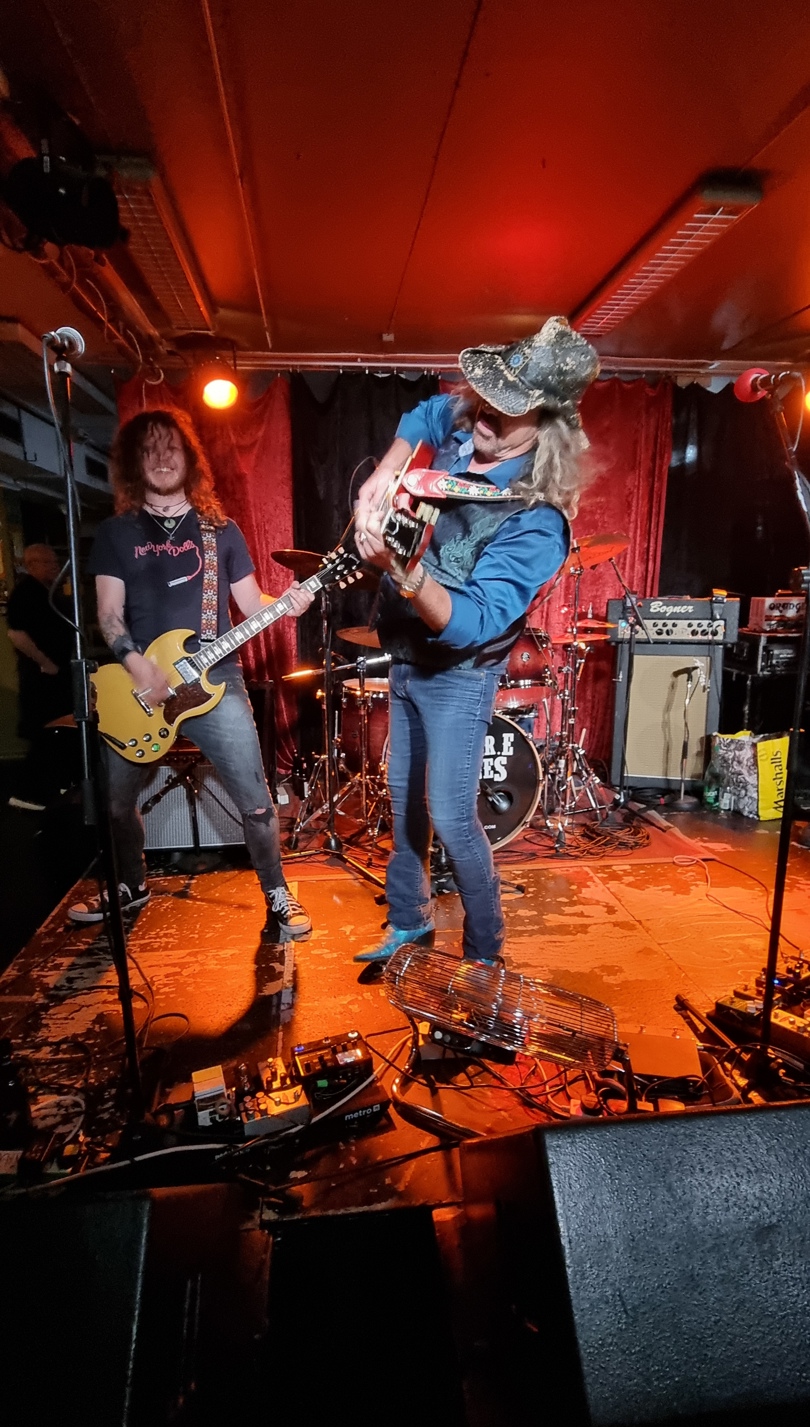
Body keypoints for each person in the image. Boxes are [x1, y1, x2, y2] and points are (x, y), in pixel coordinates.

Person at [353, 316, 599, 967]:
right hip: (406, 656)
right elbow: (429, 412)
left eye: (504, 413)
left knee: (453, 817)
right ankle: (408, 923)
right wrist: (386, 473)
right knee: (404, 803)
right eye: (485, 399)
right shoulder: (468, 431)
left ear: (545, 429)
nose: (482, 417)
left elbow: (473, 622)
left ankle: (486, 957)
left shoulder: (539, 521)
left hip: (460, 677)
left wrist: (405, 574)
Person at [68, 407, 314, 940]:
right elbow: (108, 613)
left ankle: (276, 893)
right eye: (150, 449)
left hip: (215, 681)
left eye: (170, 448)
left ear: (189, 458)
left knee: (255, 799)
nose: (161, 458)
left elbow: (251, 604)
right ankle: (132, 884)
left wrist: (288, 601)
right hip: (136, 687)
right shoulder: (115, 532)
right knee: (113, 802)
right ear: (135, 461)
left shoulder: (220, 531)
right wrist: (136, 665)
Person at [7, 543, 74, 810]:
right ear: (32, 564)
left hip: (55, 674)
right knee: (47, 733)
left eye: (56, 562)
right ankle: (29, 793)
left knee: (59, 731)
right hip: (42, 677)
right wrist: (45, 663)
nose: (55, 567)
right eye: (49, 563)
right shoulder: (26, 593)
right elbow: (16, 634)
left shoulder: (49, 593)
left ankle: (56, 786)